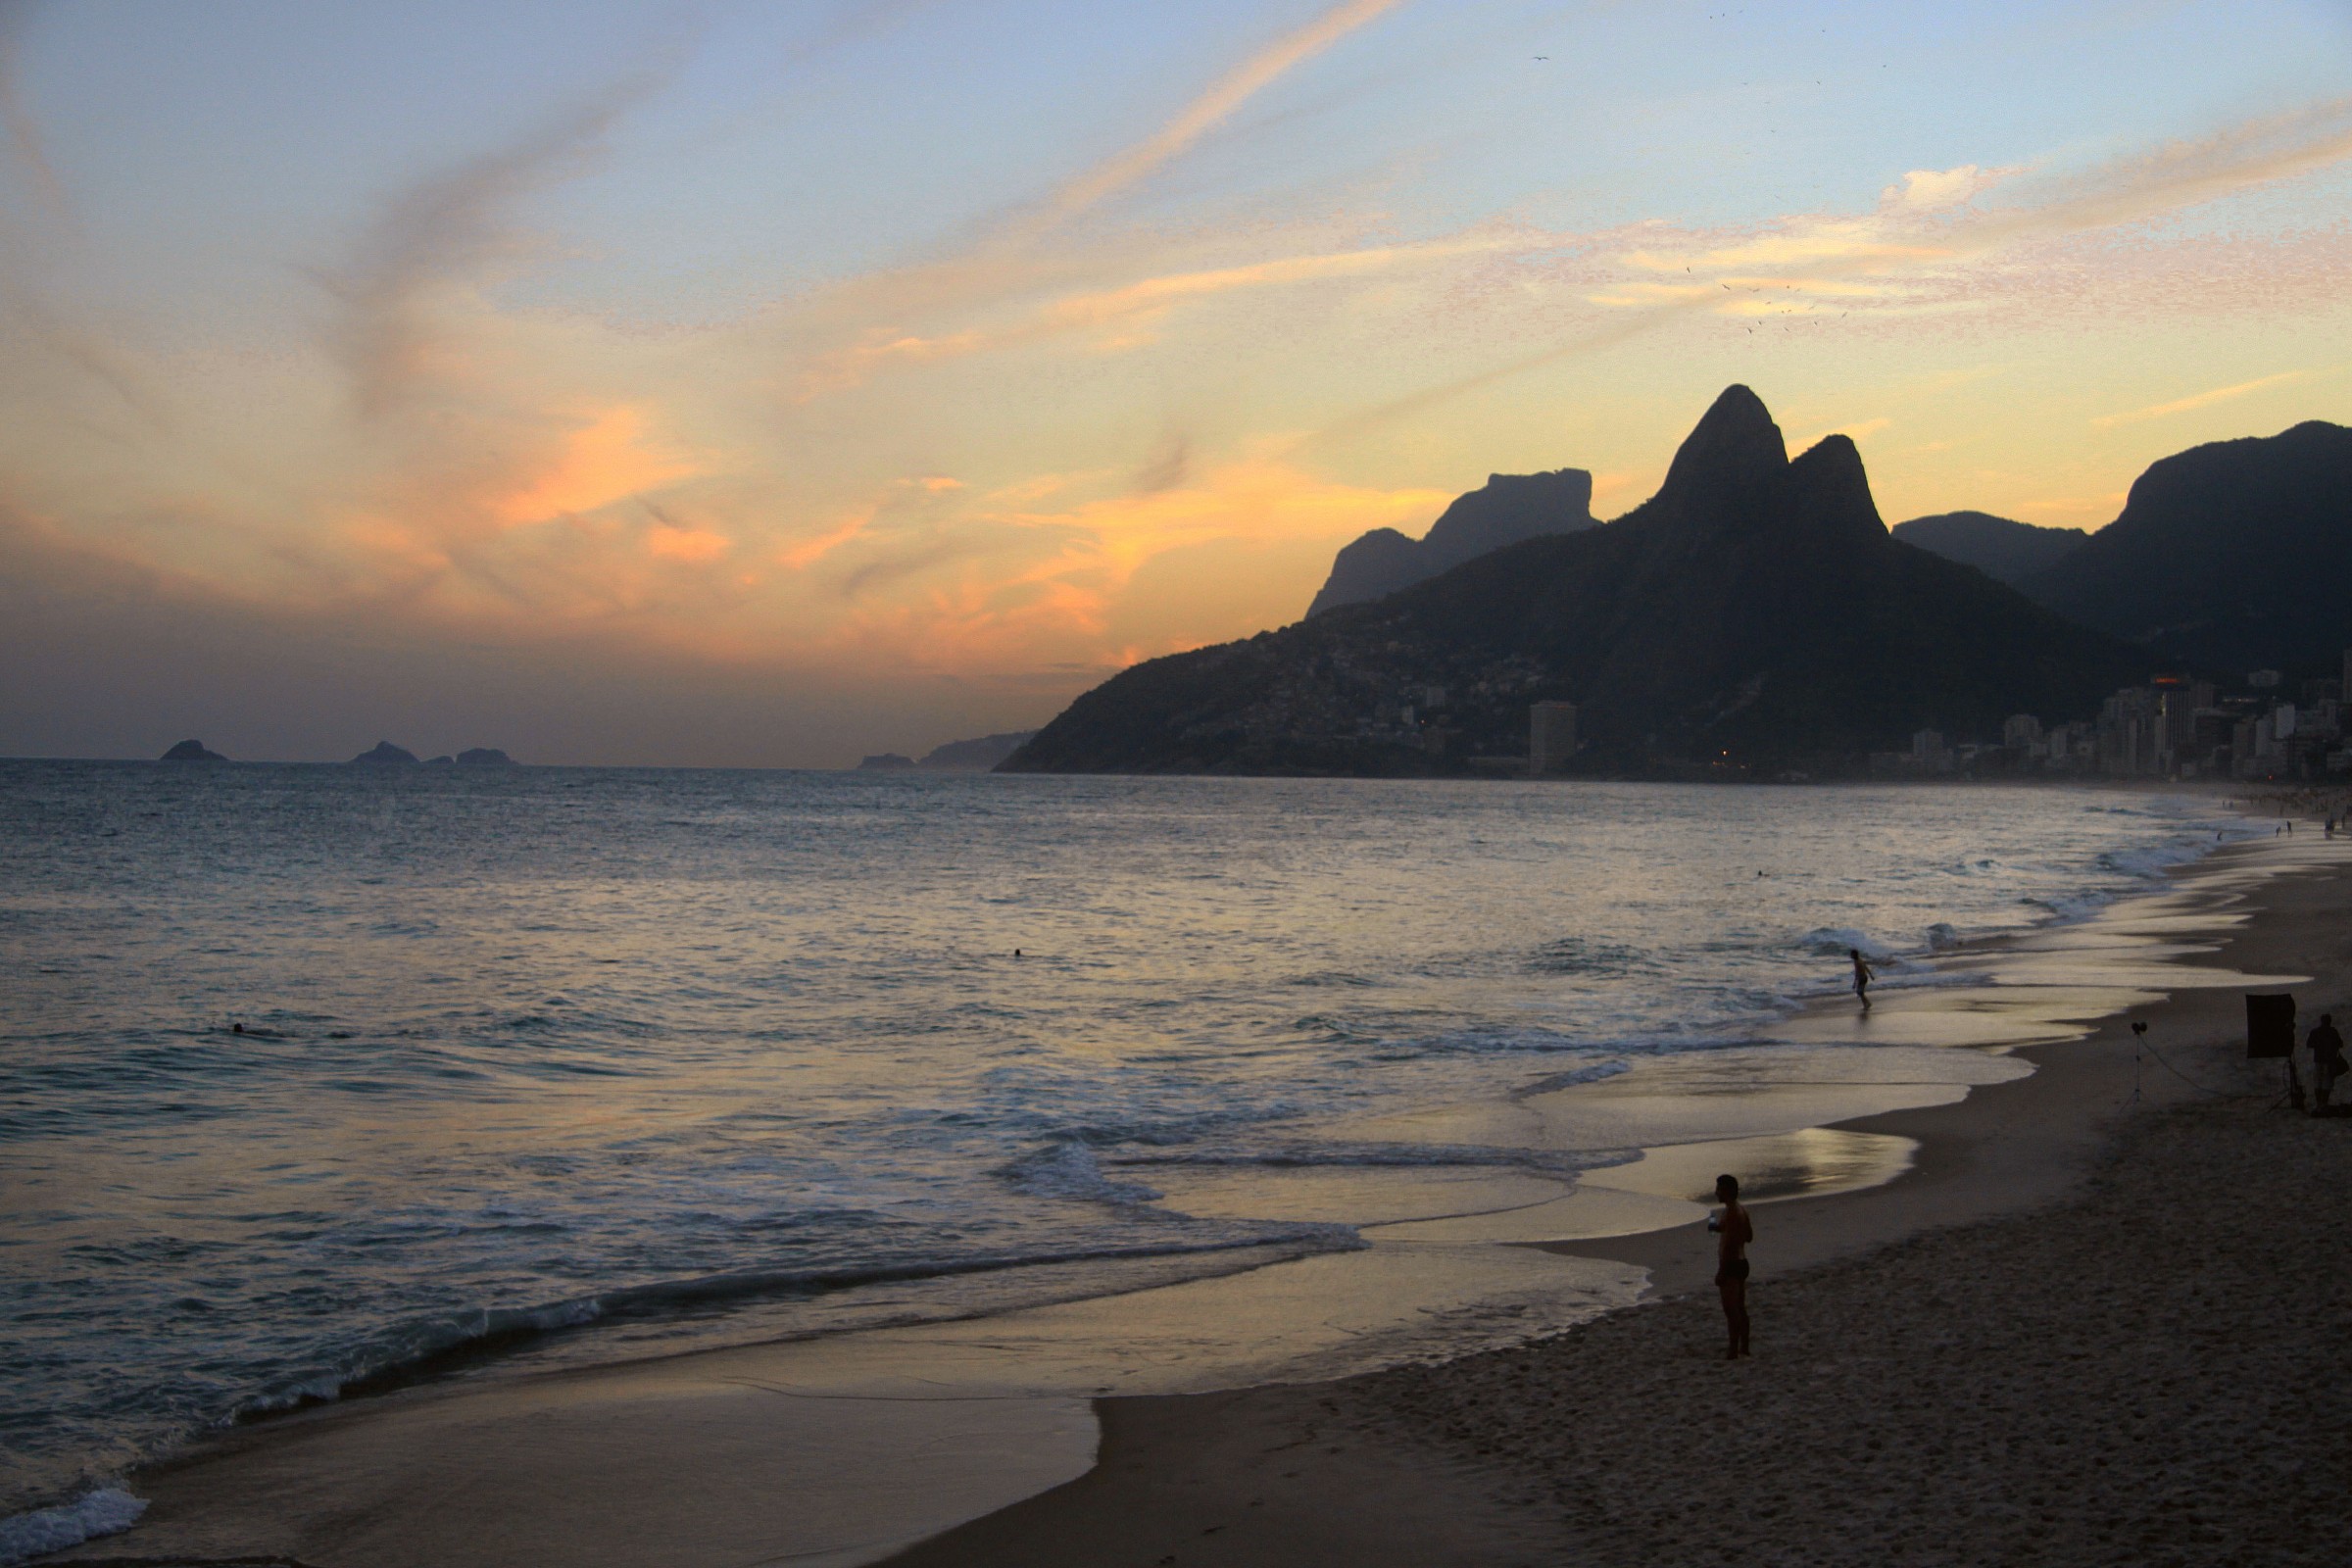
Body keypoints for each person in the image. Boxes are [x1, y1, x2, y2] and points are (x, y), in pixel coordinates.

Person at [1711, 1173, 1753, 1359]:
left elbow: (1729, 1246)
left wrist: (1721, 1271)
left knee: (1731, 1310)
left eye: (1719, 1189)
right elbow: (1749, 1236)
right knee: (1740, 1307)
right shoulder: (1739, 1209)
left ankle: (1733, 1349)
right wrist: (1718, 1228)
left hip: (1732, 1264)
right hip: (1741, 1262)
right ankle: (1744, 1347)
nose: (1716, 1193)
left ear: (1727, 1191)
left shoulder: (1732, 1213)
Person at [2309, 1013, 2347, 1109]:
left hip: (2318, 1059)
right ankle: (2324, 1103)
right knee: (2327, 1082)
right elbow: (2340, 1044)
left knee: (2318, 1081)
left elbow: (2309, 1044)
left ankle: (2319, 1102)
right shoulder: (2333, 1032)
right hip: (2329, 1061)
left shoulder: (2315, 1032)